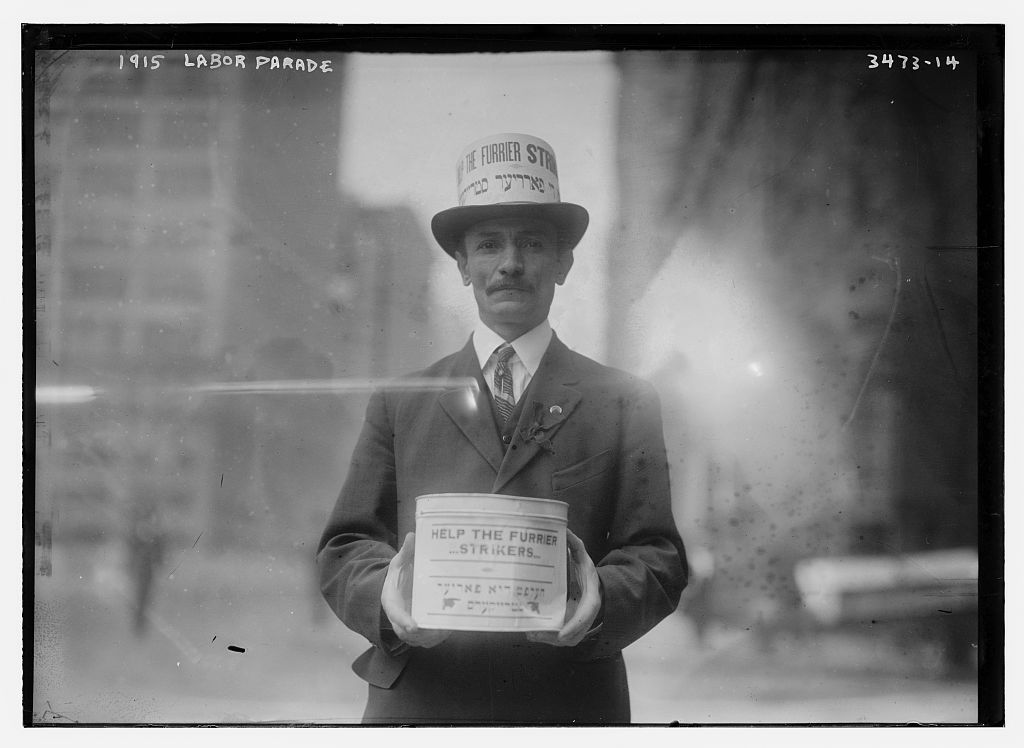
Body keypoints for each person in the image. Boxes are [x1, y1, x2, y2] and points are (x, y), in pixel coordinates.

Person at [317, 132, 687, 724]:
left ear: (564, 263)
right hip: (422, 704)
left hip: (566, 704)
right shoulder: (400, 401)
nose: (510, 264)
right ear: (462, 265)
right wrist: (387, 598)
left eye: (533, 244)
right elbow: (344, 546)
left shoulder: (625, 401)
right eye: (488, 245)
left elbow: (659, 555)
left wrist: (599, 601)